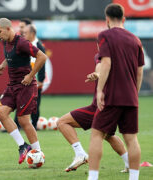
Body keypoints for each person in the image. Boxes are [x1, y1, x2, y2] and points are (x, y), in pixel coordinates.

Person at [87, 4, 144, 180]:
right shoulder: (136, 39)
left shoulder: (105, 35)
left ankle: (93, 177)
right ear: (124, 19)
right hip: (130, 97)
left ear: (107, 20)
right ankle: (134, 178)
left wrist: (99, 90)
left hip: (112, 95)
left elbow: (106, 63)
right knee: (131, 139)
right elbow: (140, 70)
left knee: (97, 134)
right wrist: (135, 92)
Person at [57, 53, 129, 172]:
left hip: (100, 108)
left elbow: (101, 67)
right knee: (109, 135)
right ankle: (129, 163)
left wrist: (98, 74)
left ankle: (81, 154)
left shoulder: (101, 55)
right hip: (115, 106)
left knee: (62, 122)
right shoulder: (121, 57)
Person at [0, 18, 47, 164]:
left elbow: (42, 56)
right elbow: (10, 56)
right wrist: (3, 65)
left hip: (26, 86)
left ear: (9, 29)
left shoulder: (22, 42)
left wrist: (31, 75)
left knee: (24, 120)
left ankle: (38, 153)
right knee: (1, 113)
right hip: (12, 86)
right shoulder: (6, 41)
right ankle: (23, 146)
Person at [23, 24, 46, 129]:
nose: (23, 35)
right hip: (25, 79)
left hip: (35, 80)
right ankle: (19, 124)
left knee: (35, 104)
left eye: (25, 33)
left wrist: (41, 80)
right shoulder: (24, 45)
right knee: (22, 101)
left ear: (32, 34)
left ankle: (34, 124)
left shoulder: (39, 45)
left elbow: (42, 64)